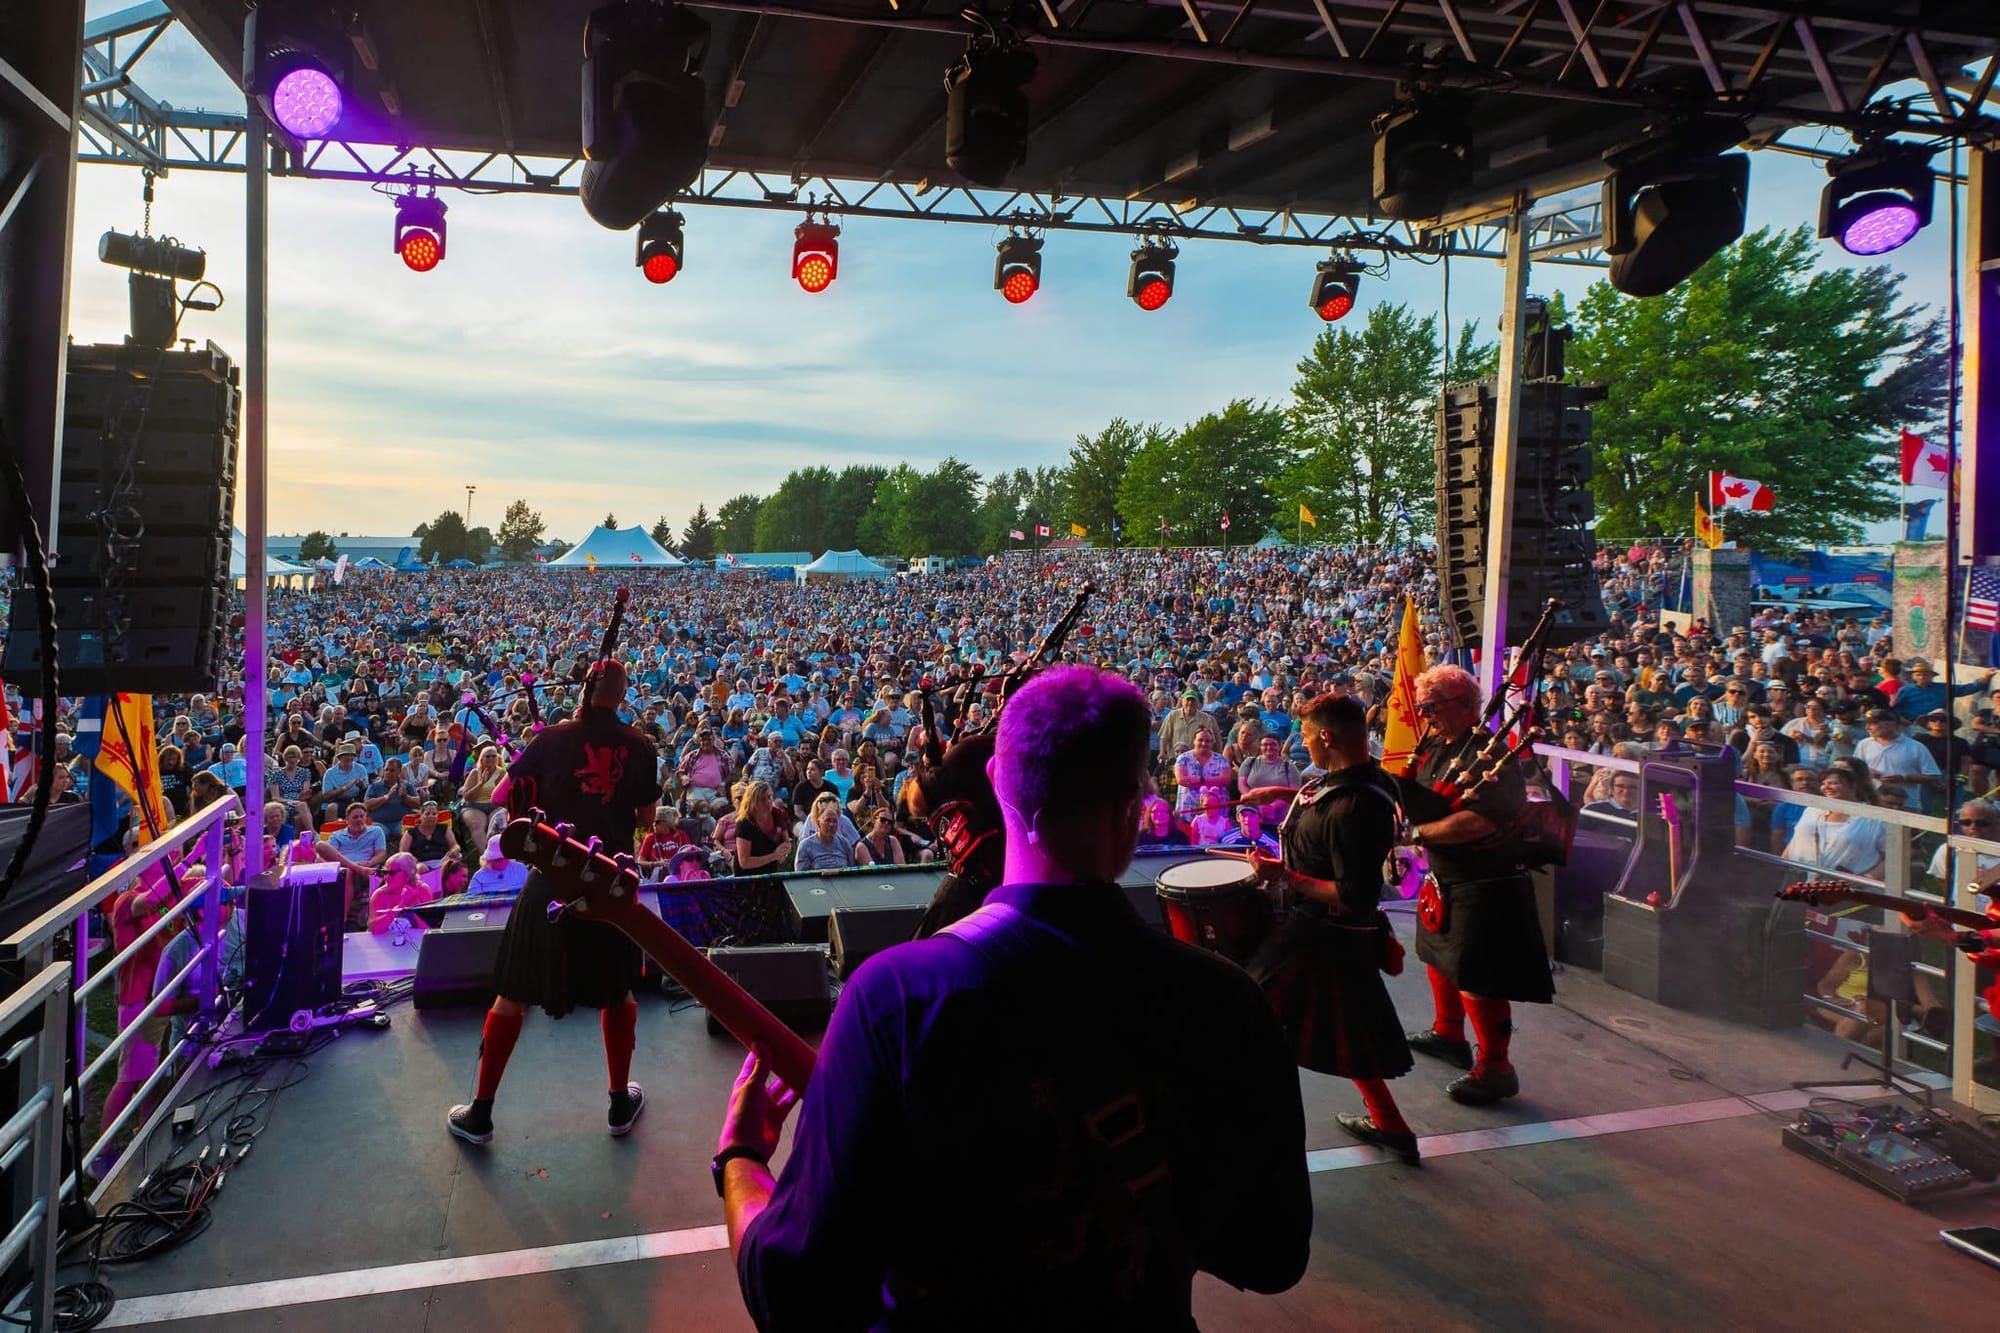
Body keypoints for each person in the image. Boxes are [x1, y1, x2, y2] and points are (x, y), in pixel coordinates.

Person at [716, 664, 1310, 1327]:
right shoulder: (1228, 1003)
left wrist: (740, 1159)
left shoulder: (894, 999)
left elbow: (794, 1295)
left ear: (998, 782)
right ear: (1137, 807)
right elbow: (1272, 1254)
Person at [448, 659, 662, 1147]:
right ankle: (618, 1104)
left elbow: (504, 795)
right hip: (608, 883)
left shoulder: (551, 739)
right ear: (622, 695)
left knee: (512, 994)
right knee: (618, 992)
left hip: (551, 877)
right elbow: (647, 820)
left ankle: (480, 1113)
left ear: (583, 688)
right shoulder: (639, 745)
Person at [1246, 693, 1419, 1162]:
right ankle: (1391, 1126)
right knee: (1352, 1037)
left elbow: (1354, 894)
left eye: (1306, 737)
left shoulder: (1355, 809)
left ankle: (1258, 1131)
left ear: (1326, 737)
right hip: (1325, 933)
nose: (1303, 744)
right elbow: (1326, 807)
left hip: (1322, 936)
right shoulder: (1365, 780)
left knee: (1251, 1012)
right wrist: (1280, 794)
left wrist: (1284, 877)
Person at [1398, 664, 1552, 1106]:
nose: (1425, 716)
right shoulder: (1436, 747)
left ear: (1466, 705)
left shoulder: (1489, 755)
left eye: (1432, 707)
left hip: (1486, 882)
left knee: (1477, 976)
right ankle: (1448, 1033)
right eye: (1422, 707)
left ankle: (1496, 1068)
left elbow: (1479, 821)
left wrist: (1418, 835)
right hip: (1446, 876)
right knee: (1436, 953)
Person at [323, 802, 389, 931]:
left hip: (368, 868)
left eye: (361, 816)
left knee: (350, 871)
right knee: (347, 871)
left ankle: (344, 919)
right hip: (345, 868)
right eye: (355, 817)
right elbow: (330, 858)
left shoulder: (376, 831)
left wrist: (368, 863)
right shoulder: (336, 836)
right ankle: (344, 918)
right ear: (347, 819)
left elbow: (381, 854)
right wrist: (353, 866)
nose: (359, 819)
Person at [369, 853, 437, 936]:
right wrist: (401, 905)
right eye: (385, 872)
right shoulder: (379, 894)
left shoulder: (422, 890)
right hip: (386, 941)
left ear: (408, 874)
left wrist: (413, 902)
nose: (386, 877)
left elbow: (428, 928)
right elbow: (374, 929)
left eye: (392, 873)